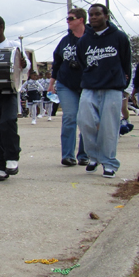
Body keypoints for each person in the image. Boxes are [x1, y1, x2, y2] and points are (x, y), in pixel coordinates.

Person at [76, 4, 131, 178]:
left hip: (112, 87)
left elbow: (126, 61)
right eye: (91, 14)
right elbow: (82, 61)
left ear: (106, 16)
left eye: (97, 14)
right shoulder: (84, 40)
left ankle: (109, 163)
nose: (93, 17)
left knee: (109, 126)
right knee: (85, 121)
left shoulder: (119, 37)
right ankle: (93, 157)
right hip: (90, 86)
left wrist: (124, 83)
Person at [0, 16, 29, 181]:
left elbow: (25, 67)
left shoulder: (14, 46)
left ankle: (12, 157)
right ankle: (0, 167)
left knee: (8, 122)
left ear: (1, 27)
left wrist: (23, 64)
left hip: (9, 92)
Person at [48, 9, 88, 166]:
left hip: (87, 84)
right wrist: (51, 83)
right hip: (66, 83)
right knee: (70, 116)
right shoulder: (65, 41)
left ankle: (84, 154)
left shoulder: (92, 39)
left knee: (86, 119)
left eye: (71, 18)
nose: (68, 21)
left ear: (81, 19)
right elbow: (57, 63)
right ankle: (68, 155)